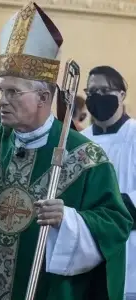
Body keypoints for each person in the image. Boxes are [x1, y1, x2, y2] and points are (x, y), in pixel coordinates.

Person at [0, 3, 132, 300]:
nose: (2, 101)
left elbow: (115, 225)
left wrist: (69, 221)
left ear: (44, 96)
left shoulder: (86, 158)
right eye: (0, 90)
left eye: (12, 92)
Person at [81, 65, 136, 300]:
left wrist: (109, 210)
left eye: (104, 90)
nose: (97, 97)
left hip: (131, 244)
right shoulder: (80, 142)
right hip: (90, 246)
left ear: (122, 94)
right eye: (91, 92)